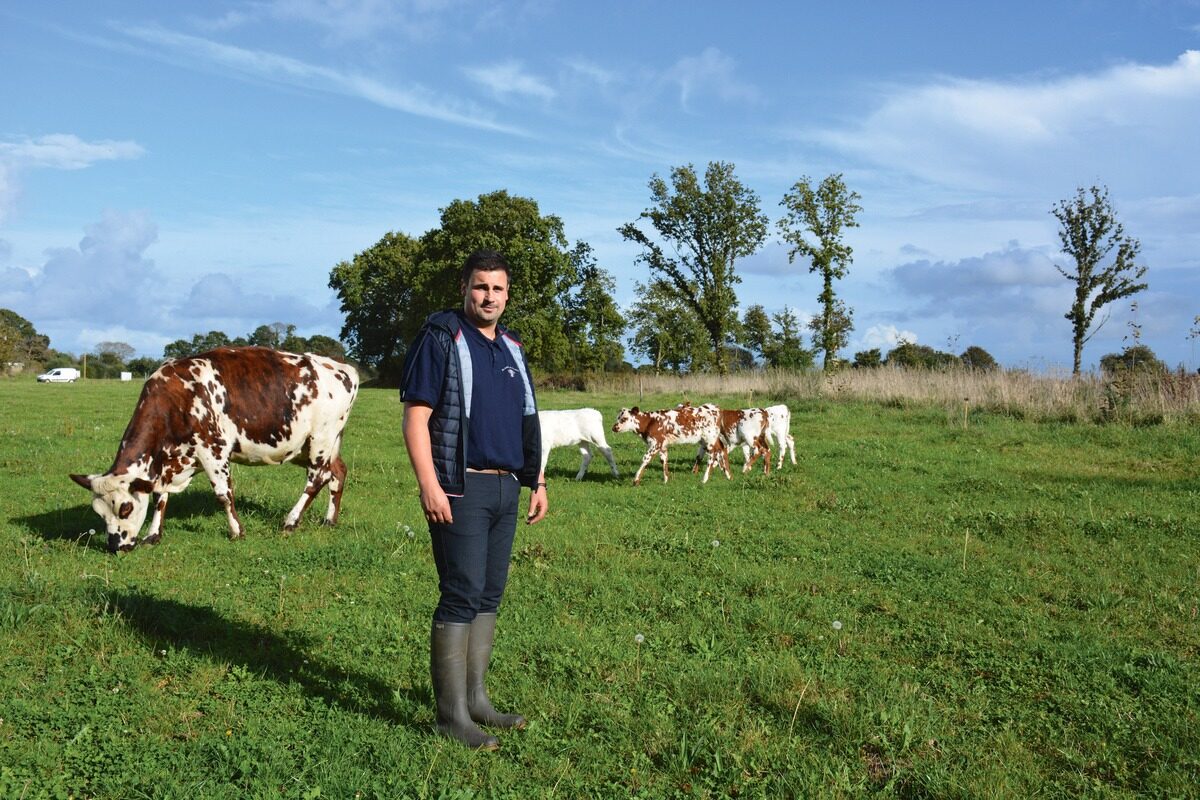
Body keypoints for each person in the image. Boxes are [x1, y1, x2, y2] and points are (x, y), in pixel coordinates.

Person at [400, 249, 548, 750]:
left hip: (506, 487)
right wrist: (429, 483)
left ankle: (477, 699)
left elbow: (528, 419)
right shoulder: (442, 337)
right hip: (460, 486)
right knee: (461, 592)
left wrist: (538, 481)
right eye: (480, 286)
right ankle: (451, 717)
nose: (489, 296)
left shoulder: (511, 347)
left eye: (498, 288)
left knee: (489, 594)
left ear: (508, 295)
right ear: (465, 288)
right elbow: (416, 417)